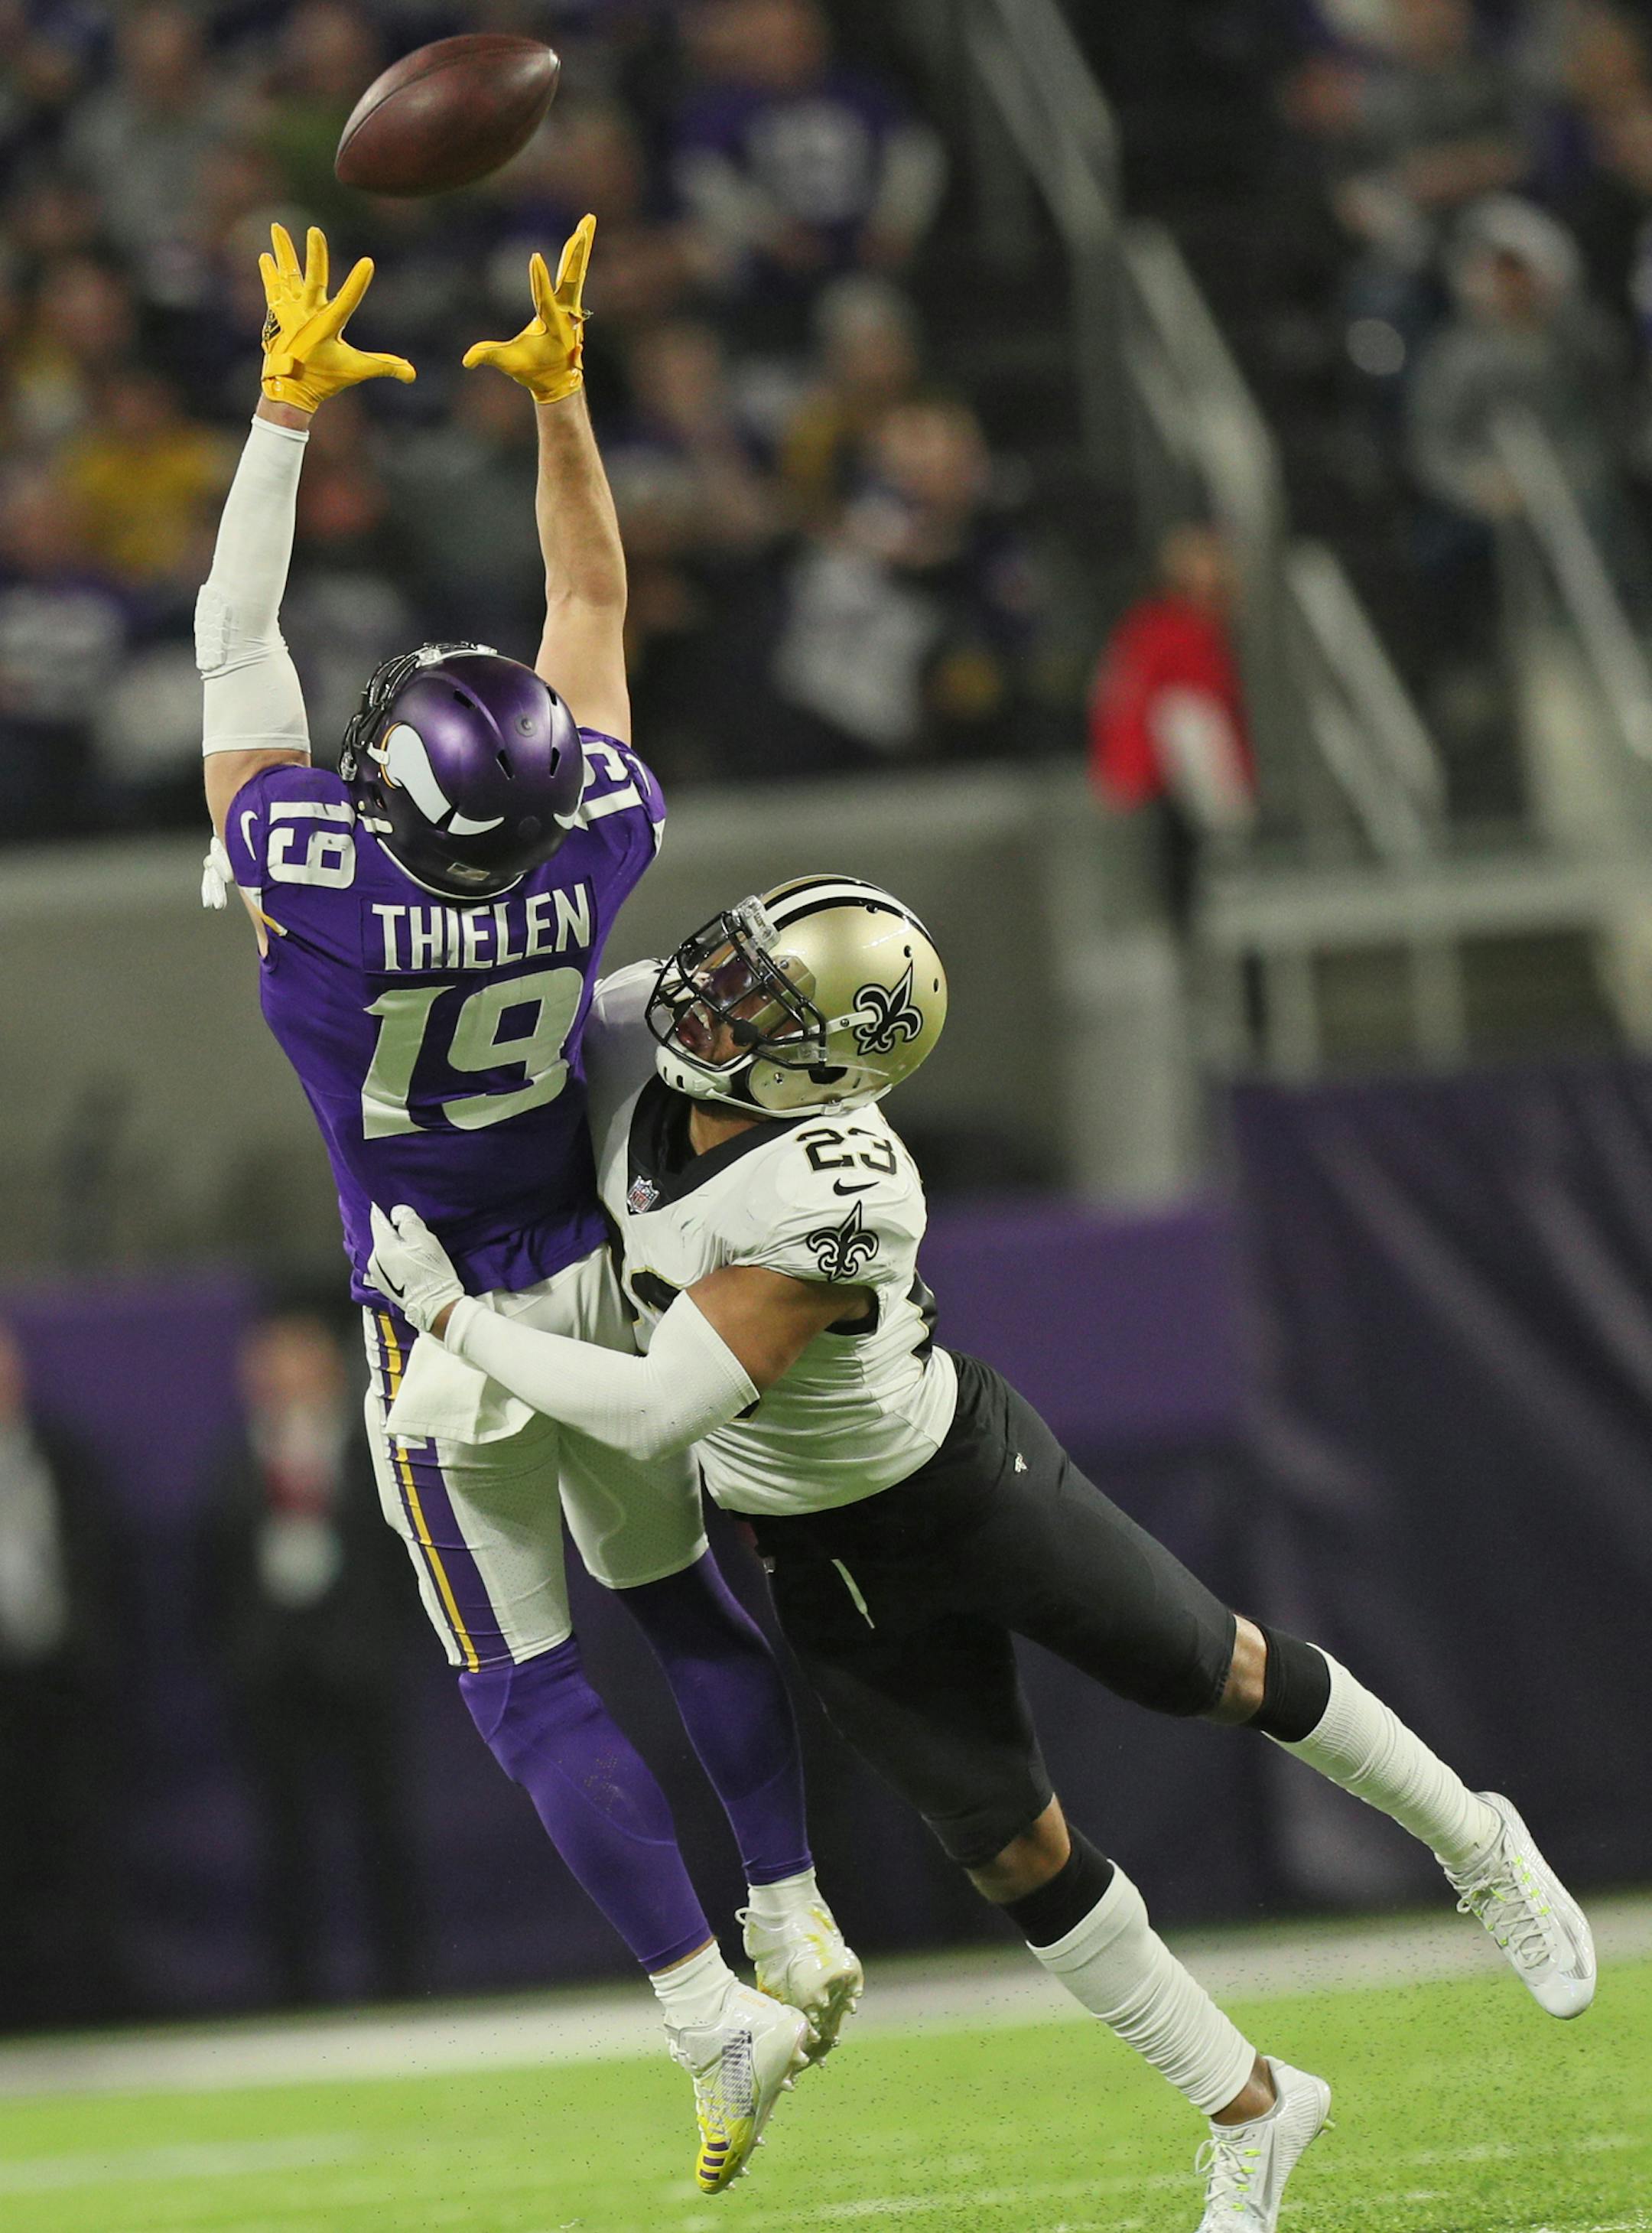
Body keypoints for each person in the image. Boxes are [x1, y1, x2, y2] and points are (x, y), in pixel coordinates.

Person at [367, 874, 1598, 2233]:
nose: (706, 1001)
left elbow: (663, 1405)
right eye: (733, 969)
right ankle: (1249, 2103)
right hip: (810, 1544)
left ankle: (1478, 1839)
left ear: (822, 1066)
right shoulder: (627, 1033)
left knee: (1219, 1665)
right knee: (1010, 1847)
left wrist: (454, 1320)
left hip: (955, 1480)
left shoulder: (835, 1182)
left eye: (756, 1004)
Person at [197, 216, 857, 2190]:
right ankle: (799, 1900)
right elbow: (588, 580)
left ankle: (709, 2005)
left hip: (440, 1316)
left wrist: (280, 414)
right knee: (680, 1588)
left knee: (525, 1677)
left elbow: (238, 643)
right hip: (601, 1268)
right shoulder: (591, 845)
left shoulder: (313, 883)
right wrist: (566, 397)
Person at [199, 1301, 421, 2006]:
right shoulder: (235, 1459)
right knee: (284, 1832)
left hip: (358, 1663)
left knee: (381, 1824)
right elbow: (213, 1573)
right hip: (273, 1671)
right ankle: (295, 1987)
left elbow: (399, 1555)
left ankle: (401, 1979)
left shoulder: (371, 1447)